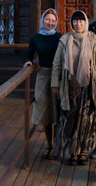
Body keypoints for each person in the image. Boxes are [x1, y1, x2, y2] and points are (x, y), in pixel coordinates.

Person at [51, 10, 96, 165]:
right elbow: (57, 64)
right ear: (72, 23)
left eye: (81, 21)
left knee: (87, 120)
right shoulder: (65, 39)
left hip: (89, 87)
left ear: (86, 22)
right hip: (69, 87)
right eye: (75, 21)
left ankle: (83, 151)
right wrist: (55, 84)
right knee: (71, 118)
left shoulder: (93, 39)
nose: (78, 24)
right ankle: (72, 151)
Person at [23, 8, 62, 159]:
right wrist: (28, 62)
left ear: (56, 22)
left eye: (53, 20)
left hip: (58, 76)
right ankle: (49, 145)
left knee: (57, 111)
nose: (50, 23)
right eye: (47, 19)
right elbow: (29, 55)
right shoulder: (36, 38)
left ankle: (57, 145)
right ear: (42, 20)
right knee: (45, 112)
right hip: (43, 76)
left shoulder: (60, 37)